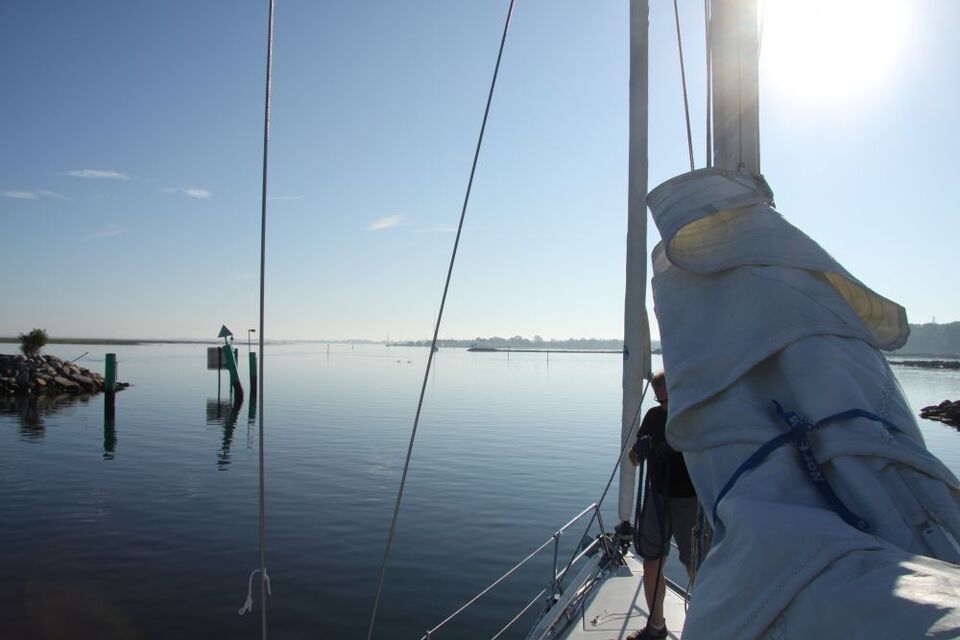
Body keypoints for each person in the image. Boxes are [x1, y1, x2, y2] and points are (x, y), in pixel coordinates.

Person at [626, 371, 701, 640]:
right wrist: (641, 450)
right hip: (657, 497)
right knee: (651, 562)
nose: (664, 406)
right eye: (660, 401)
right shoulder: (653, 417)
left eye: (668, 400)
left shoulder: (695, 416)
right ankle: (656, 627)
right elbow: (634, 460)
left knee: (697, 568)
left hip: (689, 502)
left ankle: (705, 628)